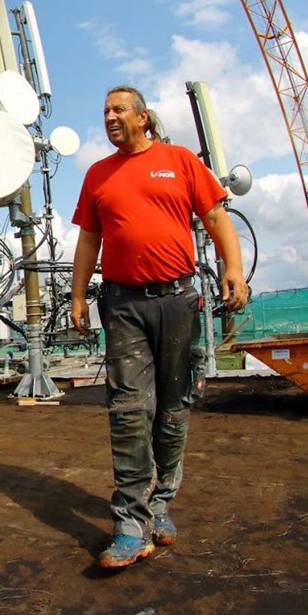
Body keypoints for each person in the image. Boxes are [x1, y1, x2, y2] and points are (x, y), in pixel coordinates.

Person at [70, 85, 249, 569]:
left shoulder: (180, 160)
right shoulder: (97, 175)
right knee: (129, 411)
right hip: (123, 304)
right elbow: (89, 240)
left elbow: (215, 216)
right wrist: (77, 294)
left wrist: (233, 268)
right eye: (104, 109)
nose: (109, 116)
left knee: (172, 408)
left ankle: (161, 504)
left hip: (177, 300)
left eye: (118, 109)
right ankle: (129, 523)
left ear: (143, 117)